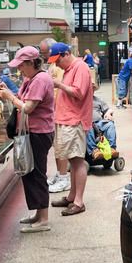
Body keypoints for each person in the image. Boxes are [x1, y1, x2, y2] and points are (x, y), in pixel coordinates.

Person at [0, 46, 55, 233]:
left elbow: (28, 107)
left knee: (37, 174)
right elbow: (22, 100)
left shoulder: (40, 80)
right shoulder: (31, 79)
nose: (19, 69)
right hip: (32, 132)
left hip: (39, 133)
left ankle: (43, 219)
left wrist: (9, 98)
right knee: (30, 173)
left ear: (31, 62)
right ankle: (39, 214)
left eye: (21, 65)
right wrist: (8, 92)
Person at [48, 43, 93, 216]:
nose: (56, 64)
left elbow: (79, 93)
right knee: (72, 162)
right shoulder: (68, 69)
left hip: (75, 121)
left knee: (77, 161)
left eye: (57, 60)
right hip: (67, 120)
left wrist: (58, 84)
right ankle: (72, 196)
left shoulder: (80, 67)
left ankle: (79, 202)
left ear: (66, 54)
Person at [41, 38, 69, 194]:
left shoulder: (58, 67)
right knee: (57, 147)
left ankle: (64, 178)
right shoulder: (53, 64)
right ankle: (60, 175)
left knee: (61, 146)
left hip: (59, 110)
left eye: (45, 52)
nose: (44, 55)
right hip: (54, 111)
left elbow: (58, 88)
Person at [86, 95, 117, 159]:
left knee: (110, 125)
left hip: (98, 123)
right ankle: (94, 150)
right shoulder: (81, 99)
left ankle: (112, 148)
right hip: (87, 122)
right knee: (88, 125)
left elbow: (109, 109)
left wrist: (108, 113)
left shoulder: (97, 100)